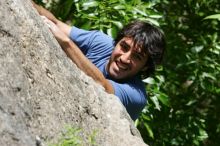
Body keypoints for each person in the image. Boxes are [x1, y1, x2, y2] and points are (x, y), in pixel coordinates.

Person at [31, 1, 166, 121]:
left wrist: (67, 43)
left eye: (137, 57)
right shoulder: (101, 42)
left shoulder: (136, 95)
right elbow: (56, 24)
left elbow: (102, 86)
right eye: (124, 47)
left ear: (145, 67)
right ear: (116, 43)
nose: (124, 58)